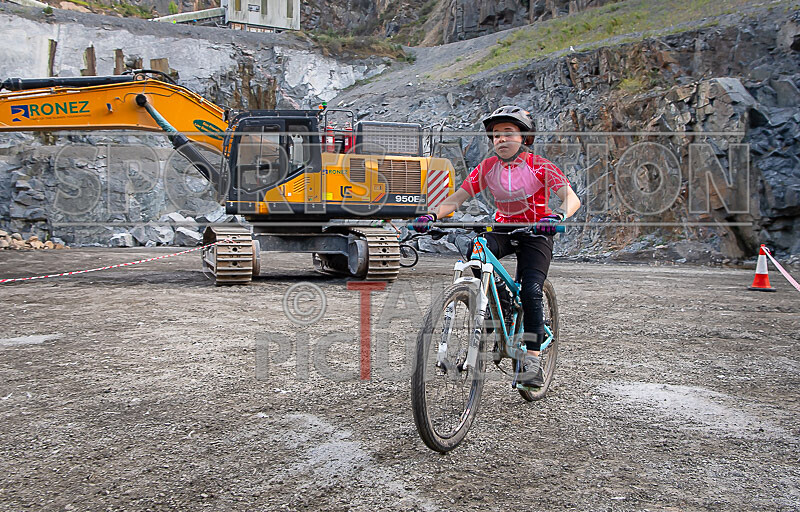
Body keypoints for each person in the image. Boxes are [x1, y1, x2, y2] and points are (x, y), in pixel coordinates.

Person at [413, 105, 581, 387]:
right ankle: (499, 300)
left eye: (508, 133)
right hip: (503, 227)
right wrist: (431, 215)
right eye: (495, 136)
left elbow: (571, 198)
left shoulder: (541, 165)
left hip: (537, 230)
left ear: (524, 138)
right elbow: (457, 198)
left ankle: (532, 359)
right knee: (475, 246)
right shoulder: (487, 168)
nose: (500, 140)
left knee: (531, 289)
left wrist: (557, 216)